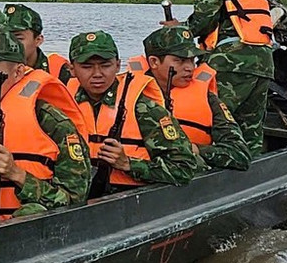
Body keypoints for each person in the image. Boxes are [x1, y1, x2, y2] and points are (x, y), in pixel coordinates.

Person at [0, 25, 92, 221]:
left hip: (29, 221)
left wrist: (17, 174)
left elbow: (75, 200)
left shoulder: (51, 121)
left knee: (31, 213)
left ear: (18, 72)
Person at [177, 0, 275, 157]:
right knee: (248, 132)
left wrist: (178, 35)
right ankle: (252, 176)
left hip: (232, 58)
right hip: (262, 59)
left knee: (204, 118)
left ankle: (200, 177)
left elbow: (205, 15)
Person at [67, 30, 204, 195]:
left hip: (130, 197)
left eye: (105, 66)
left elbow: (184, 169)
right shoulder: (63, 103)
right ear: (71, 69)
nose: (97, 74)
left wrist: (129, 164)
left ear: (118, 65)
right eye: (87, 67)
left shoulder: (143, 108)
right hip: (81, 196)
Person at [144, 23, 251, 172]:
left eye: (192, 60)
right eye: (180, 60)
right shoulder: (128, 93)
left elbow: (240, 155)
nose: (190, 67)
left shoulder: (207, 98)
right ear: (154, 62)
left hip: (188, 175)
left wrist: (197, 150)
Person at [5, 4, 76, 86]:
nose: (9, 43)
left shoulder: (60, 73)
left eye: (18, 39)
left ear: (38, 40)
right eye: (5, 37)